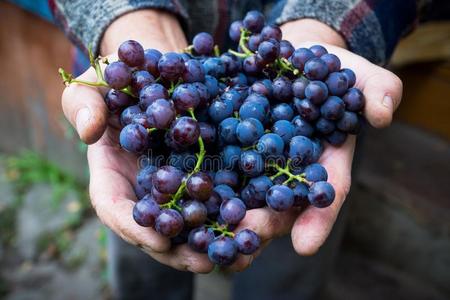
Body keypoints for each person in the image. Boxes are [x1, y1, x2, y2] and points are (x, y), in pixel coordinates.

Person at [51, 0, 418, 298]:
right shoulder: (149, 102)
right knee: (145, 259)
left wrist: (328, 25)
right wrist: (126, 16)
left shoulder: (285, 118)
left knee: (286, 271)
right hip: (131, 109)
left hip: (291, 87)